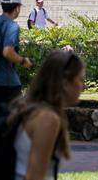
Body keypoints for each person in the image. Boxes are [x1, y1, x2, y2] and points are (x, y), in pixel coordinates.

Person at [9, 50, 86, 180]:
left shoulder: (25, 108)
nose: (83, 86)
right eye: (80, 79)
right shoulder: (47, 119)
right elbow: (35, 177)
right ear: (65, 83)